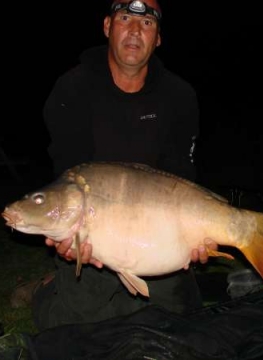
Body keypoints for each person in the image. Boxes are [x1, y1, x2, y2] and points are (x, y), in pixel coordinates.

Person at [31, 0, 218, 331]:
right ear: (107, 26)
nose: (135, 30)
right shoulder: (72, 89)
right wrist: (67, 237)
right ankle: (46, 289)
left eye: (147, 23)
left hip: (157, 230)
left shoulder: (179, 96)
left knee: (180, 323)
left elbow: (182, 177)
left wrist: (197, 233)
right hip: (97, 232)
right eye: (126, 18)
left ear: (158, 38)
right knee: (74, 328)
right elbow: (68, 177)